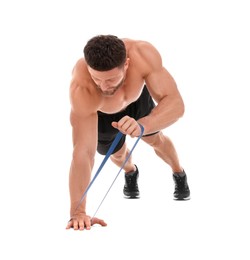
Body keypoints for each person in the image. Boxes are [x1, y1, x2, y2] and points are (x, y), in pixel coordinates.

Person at [66, 35, 190, 231]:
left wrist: (144, 125)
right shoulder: (83, 88)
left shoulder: (142, 54)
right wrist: (78, 212)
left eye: (111, 79)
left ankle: (179, 172)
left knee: (156, 139)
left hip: (137, 103)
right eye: (96, 78)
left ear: (127, 64)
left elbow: (176, 105)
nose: (104, 87)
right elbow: (82, 153)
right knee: (118, 154)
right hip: (102, 115)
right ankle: (131, 172)